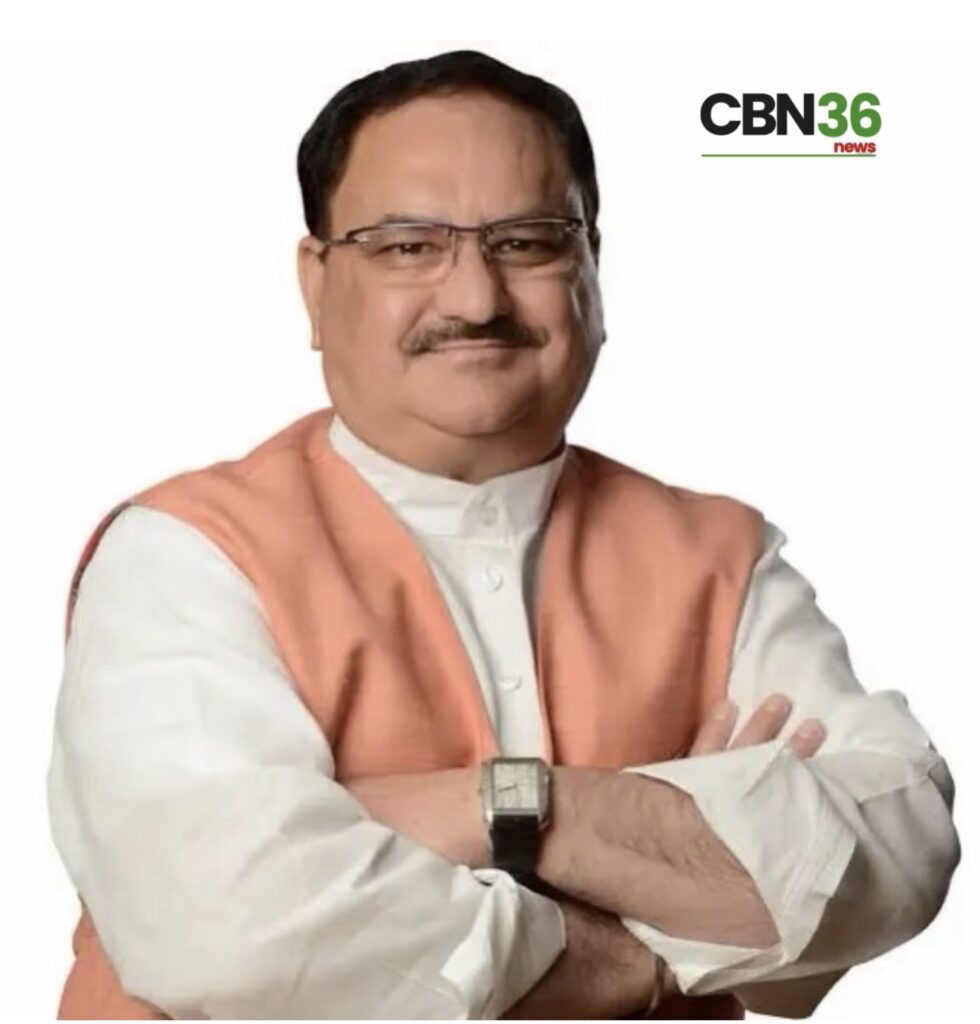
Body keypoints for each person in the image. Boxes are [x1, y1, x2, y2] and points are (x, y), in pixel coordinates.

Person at [47, 49, 960, 1020]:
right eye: (408, 246)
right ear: (316, 284)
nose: (475, 299)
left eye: (527, 242)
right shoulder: (183, 555)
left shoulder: (722, 558)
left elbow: (897, 850)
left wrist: (497, 810)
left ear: (592, 266)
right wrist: (656, 927)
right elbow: (230, 925)